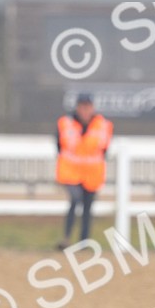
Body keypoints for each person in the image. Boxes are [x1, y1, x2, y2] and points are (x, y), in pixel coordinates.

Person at [55, 93, 113, 249]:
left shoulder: (103, 125)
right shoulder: (65, 123)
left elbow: (105, 149)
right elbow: (59, 146)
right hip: (71, 172)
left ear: (92, 108)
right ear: (77, 107)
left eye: (88, 107)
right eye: (82, 107)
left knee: (88, 207)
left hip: (92, 174)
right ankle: (66, 238)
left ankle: (84, 242)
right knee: (75, 199)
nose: (85, 110)